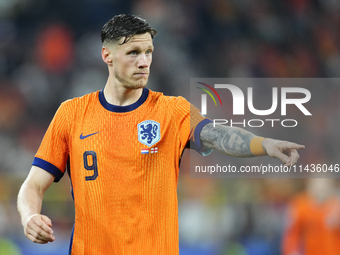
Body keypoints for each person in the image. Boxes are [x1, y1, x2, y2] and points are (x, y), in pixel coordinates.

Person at [17, 14, 304, 255]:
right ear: (107, 55)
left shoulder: (171, 111)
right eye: (133, 53)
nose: (144, 62)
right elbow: (32, 186)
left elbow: (218, 135)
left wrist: (264, 143)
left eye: (148, 52)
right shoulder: (72, 114)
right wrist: (30, 216)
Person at [282, 178, 340, 255]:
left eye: (324, 186)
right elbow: (291, 234)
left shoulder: (336, 206)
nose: (321, 190)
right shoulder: (300, 205)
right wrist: (291, 251)